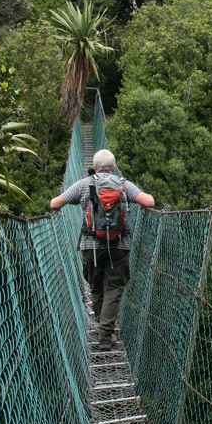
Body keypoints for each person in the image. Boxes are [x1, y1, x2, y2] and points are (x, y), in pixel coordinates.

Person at [50, 149, 155, 350]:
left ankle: (103, 328)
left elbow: (55, 203)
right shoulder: (123, 184)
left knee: (96, 286)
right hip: (119, 245)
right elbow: (149, 201)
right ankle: (106, 333)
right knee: (114, 288)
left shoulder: (84, 184)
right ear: (114, 168)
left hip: (90, 246)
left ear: (95, 168)